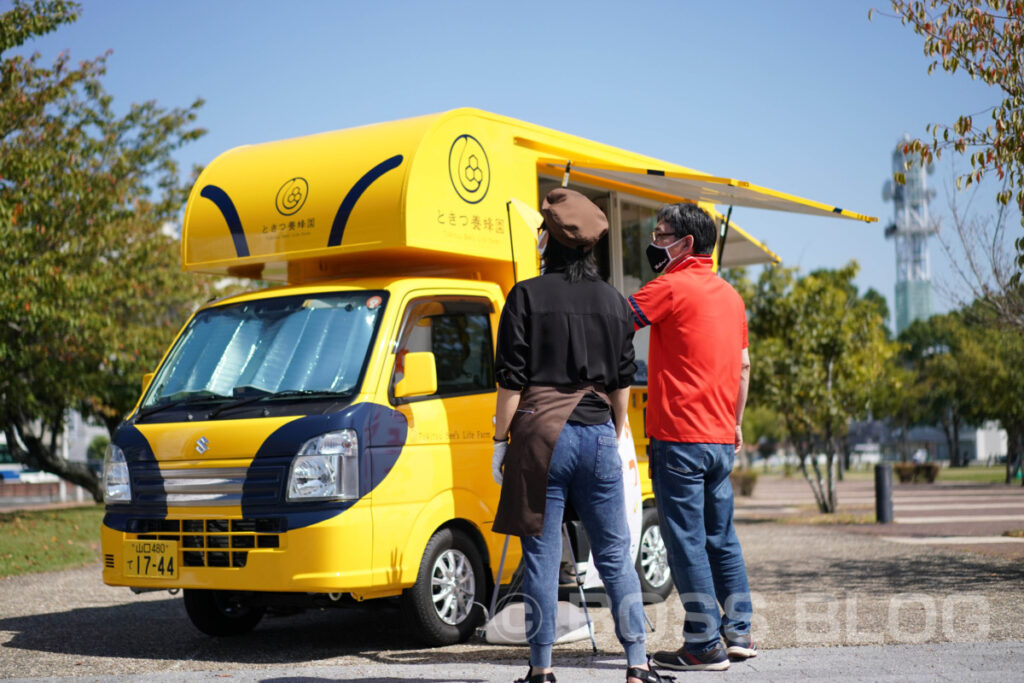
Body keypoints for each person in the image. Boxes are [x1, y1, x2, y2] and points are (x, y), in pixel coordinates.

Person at [491, 188, 667, 683]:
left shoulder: (525, 295)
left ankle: (541, 669)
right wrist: (615, 432)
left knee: (542, 556)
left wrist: (500, 442)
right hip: (595, 435)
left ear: (550, 241)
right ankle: (637, 662)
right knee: (615, 552)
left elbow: (510, 381)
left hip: (539, 438)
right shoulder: (614, 301)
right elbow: (622, 380)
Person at [627, 203, 755, 672]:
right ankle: (738, 632)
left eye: (661, 235)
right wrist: (736, 421)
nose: (655, 243)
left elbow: (618, 320)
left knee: (685, 541)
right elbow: (743, 366)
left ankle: (703, 644)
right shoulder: (731, 296)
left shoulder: (670, 285)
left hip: (678, 436)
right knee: (722, 536)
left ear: (685, 245)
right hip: (721, 436)